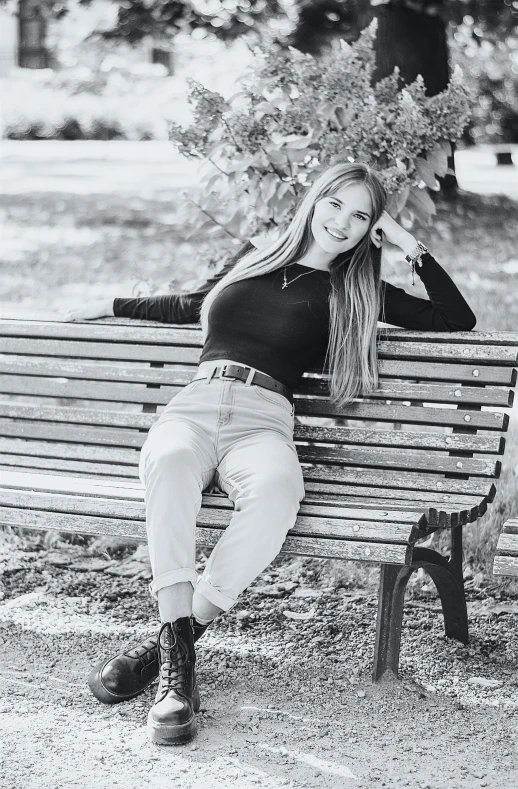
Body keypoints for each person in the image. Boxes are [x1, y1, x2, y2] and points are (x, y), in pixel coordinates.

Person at [63, 162, 476, 746]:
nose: (343, 222)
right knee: (171, 461)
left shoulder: (354, 289)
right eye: (336, 204)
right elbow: (189, 302)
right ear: (314, 201)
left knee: (278, 491)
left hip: (263, 420)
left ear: (370, 230)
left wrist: (408, 242)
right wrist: (107, 305)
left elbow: (457, 320)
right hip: (196, 406)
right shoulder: (254, 257)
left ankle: (172, 649)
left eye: (361, 216)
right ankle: (176, 669)